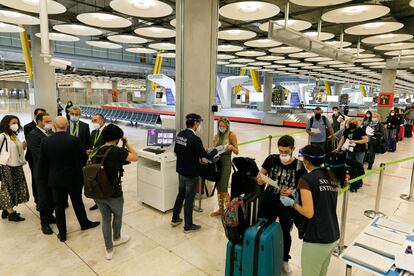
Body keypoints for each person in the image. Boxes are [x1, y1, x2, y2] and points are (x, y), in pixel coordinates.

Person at [279, 145, 339, 276]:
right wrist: (297, 192)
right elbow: (323, 198)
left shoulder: (306, 179)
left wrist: (292, 203)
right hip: (332, 234)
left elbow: (308, 212)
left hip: (317, 238)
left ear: (307, 161)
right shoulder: (330, 176)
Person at [37, 116, 100, 242]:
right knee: (77, 202)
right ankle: (84, 223)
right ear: (67, 126)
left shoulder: (46, 142)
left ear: (54, 126)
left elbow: (43, 163)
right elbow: (82, 158)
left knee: (59, 206)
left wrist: (42, 178)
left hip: (55, 178)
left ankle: (63, 233)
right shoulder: (74, 140)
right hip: (73, 178)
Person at [256, 135, 305, 274]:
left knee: (285, 232)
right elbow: (260, 176)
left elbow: (303, 187)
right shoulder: (271, 159)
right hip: (269, 199)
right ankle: (263, 254)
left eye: (286, 152)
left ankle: (284, 259)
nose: (283, 154)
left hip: (286, 203)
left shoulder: (299, 165)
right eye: (281, 151)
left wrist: (292, 190)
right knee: (263, 226)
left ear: (293, 149)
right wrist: (260, 180)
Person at [91, 124, 138, 260]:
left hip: (98, 191)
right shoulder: (117, 151)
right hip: (113, 192)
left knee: (105, 218)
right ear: (117, 138)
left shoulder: (97, 149)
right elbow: (135, 157)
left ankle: (109, 249)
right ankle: (117, 238)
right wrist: (127, 143)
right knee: (117, 216)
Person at [171, 113, 220, 233]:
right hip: (191, 173)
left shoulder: (180, 135)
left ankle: (175, 218)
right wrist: (215, 150)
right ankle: (188, 226)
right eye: (199, 123)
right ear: (196, 124)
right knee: (189, 199)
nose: (199, 125)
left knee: (181, 194)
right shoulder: (195, 139)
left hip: (181, 171)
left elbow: (176, 151)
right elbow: (205, 156)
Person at [26, 113, 55, 234]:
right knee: (44, 198)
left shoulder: (50, 133)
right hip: (42, 172)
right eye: (46, 121)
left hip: (53, 171)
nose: (49, 123)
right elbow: (38, 154)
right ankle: (44, 223)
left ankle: (50, 216)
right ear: (38, 122)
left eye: (50, 121)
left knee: (52, 196)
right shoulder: (33, 135)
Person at [0, 115, 29, 221]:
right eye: (13, 123)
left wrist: (24, 144)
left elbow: (17, 149)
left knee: (16, 187)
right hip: (7, 166)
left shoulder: (13, 136)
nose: (16, 125)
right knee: (8, 188)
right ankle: (11, 214)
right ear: (6, 124)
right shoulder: (2, 136)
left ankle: (6, 209)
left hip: (16, 165)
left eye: (17, 122)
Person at [210, 117, 239, 217]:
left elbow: (237, 151)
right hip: (217, 163)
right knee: (219, 187)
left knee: (224, 188)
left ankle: (230, 211)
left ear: (227, 126)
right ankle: (221, 209)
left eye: (223, 126)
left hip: (226, 164)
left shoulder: (231, 135)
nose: (221, 128)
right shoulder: (216, 135)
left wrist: (231, 147)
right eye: (220, 126)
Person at [335, 117, 368, 192]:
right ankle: (348, 181)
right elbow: (342, 139)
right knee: (348, 167)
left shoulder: (360, 130)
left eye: (353, 123)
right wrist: (338, 148)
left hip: (359, 151)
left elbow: (366, 139)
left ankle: (358, 182)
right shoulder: (346, 130)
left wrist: (355, 141)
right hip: (349, 150)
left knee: (358, 166)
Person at [24, 107, 46, 210]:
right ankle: (38, 200)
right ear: (36, 117)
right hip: (33, 156)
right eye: (40, 115)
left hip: (44, 157)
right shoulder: (29, 127)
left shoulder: (46, 127)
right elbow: (31, 144)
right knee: (35, 179)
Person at [88, 113, 107, 211]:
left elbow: (109, 146)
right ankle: (98, 202)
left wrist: (95, 151)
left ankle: (106, 202)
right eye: (92, 120)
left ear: (102, 120)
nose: (93, 122)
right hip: (94, 160)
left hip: (104, 161)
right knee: (95, 182)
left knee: (104, 182)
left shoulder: (108, 132)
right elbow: (91, 145)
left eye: (95, 120)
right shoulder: (93, 132)